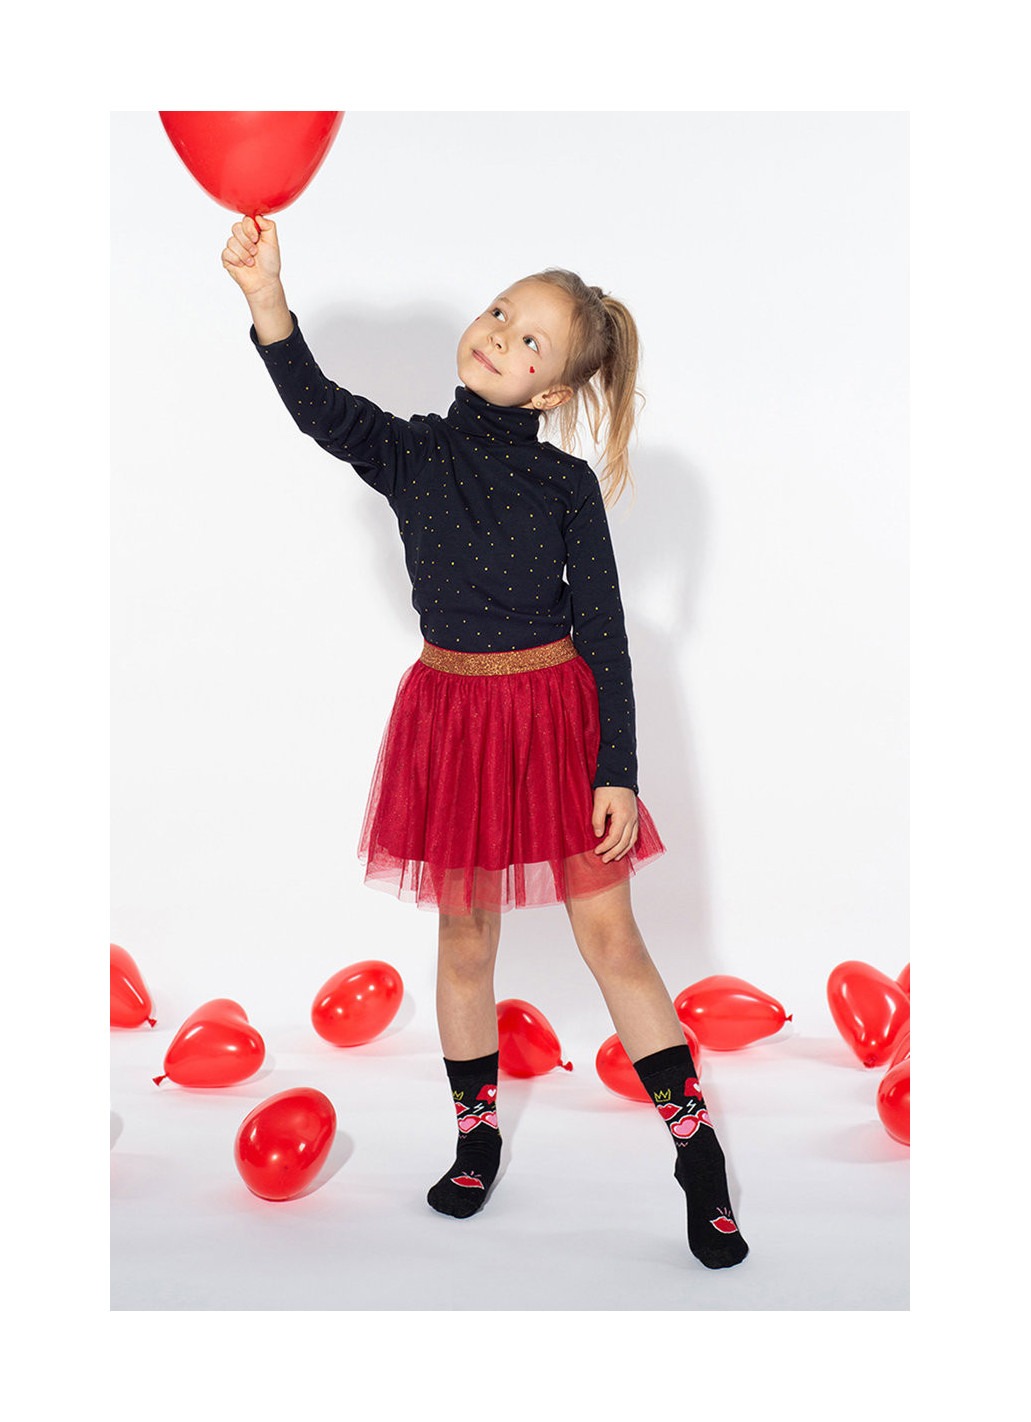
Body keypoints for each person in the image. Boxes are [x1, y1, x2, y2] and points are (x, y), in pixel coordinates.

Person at [222, 215, 749, 1269]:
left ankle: (698, 1157)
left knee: (612, 941)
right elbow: (319, 408)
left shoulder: (563, 487)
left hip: (554, 720)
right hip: (454, 722)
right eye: (501, 311)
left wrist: (616, 770)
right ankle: (476, 1139)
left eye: (530, 340)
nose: (501, 334)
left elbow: (604, 635)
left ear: (551, 392)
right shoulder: (411, 451)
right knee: (464, 939)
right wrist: (266, 300)